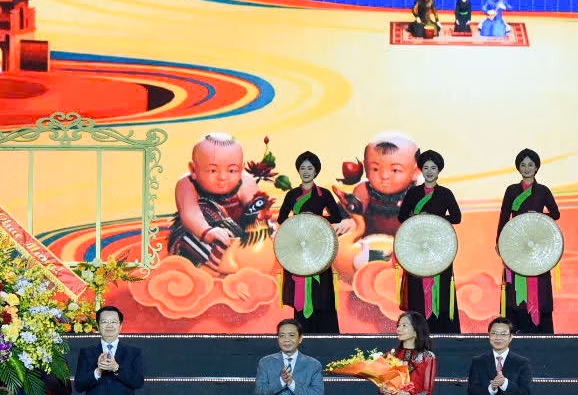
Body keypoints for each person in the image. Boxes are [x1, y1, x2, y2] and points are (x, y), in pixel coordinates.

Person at [277, 151, 354, 334]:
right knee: (300, 292)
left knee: (322, 293)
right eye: (302, 168)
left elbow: (336, 217)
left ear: (316, 171)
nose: (306, 172)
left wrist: (316, 218)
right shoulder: (292, 194)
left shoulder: (324, 194)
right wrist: (298, 221)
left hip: (319, 249)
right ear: (298, 170)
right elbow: (281, 219)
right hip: (298, 248)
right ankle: (302, 333)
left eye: (309, 168)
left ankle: (327, 335)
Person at [168, 132, 263, 269]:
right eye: (212, 170)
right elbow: (190, 213)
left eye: (232, 170)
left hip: (235, 240)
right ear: (193, 170)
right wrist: (206, 231)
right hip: (196, 237)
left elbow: (257, 211)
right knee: (206, 208)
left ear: (241, 170)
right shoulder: (187, 183)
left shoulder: (246, 182)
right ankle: (203, 268)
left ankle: (235, 263)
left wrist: (264, 225)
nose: (222, 177)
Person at [397, 149, 462, 333]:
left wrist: (434, 219)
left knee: (442, 291)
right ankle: (417, 331)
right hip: (417, 249)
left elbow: (457, 217)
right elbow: (402, 217)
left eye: (433, 168)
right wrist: (417, 220)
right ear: (421, 170)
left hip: (439, 250)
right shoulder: (413, 193)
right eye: (426, 168)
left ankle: (443, 330)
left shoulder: (445, 193)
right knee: (417, 289)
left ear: (439, 170)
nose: (430, 171)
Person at [497, 148, 561, 334]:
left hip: (538, 245)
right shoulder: (511, 190)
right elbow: (504, 217)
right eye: (523, 165)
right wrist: (500, 241)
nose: (527, 168)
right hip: (516, 245)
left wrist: (539, 216)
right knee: (515, 289)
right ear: (518, 168)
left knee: (539, 284)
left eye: (530, 165)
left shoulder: (543, 190)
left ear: (536, 167)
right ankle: (517, 326)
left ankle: (540, 328)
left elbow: (556, 214)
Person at [352, 131, 420, 239]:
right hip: (368, 244)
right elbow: (350, 211)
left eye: (395, 170)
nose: (384, 176)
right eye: (375, 169)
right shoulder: (364, 191)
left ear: (416, 172)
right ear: (366, 168)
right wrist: (349, 220)